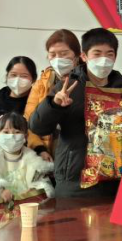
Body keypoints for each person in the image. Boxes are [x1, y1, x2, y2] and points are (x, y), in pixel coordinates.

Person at [29, 28, 122, 198]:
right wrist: (55, 105)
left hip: (115, 181)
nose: (103, 59)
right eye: (97, 53)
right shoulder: (68, 86)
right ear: (84, 56)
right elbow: (38, 127)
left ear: (115, 57)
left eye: (109, 54)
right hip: (75, 181)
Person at [0, 112, 55, 205]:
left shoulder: (35, 164)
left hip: (28, 210)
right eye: (6, 132)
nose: (11, 136)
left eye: (17, 132)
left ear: (25, 136)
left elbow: (46, 188)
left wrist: (35, 190)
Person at [23, 29, 80, 161]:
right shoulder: (41, 84)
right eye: (52, 54)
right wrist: (40, 149)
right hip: (49, 154)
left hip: (79, 156)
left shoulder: (87, 81)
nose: (58, 59)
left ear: (77, 55)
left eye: (64, 54)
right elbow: (29, 120)